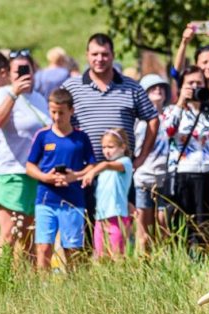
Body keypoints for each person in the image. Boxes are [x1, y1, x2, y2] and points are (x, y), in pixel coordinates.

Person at [62, 33, 159, 218]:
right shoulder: (71, 87)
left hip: (118, 173)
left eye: (105, 54)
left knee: (118, 229)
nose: (100, 59)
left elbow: (153, 119)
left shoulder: (132, 87)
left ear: (113, 55)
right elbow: (58, 122)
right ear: (87, 55)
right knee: (85, 232)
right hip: (84, 172)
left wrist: (142, 157)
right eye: (95, 54)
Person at [163, 66, 209, 249]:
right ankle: (181, 262)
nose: (195, 87)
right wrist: (180, 102)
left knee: (207, 226)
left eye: (199, 83)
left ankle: (205, 259)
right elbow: (168, 131)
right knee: (181, 227)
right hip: (182, 174)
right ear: (181, 86)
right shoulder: (173, 110)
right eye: (190, 83)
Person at [25, 88, 96, 270]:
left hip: (73, 201)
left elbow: (92, 165)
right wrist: (45, 177)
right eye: (53, 112)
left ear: (71, 111)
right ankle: (43, 287)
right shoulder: (43, 136)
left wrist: (75, 176)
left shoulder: (81, 138)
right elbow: (30, 166)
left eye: (61, 113)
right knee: (43, 246)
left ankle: (74, 286)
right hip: (46, 199)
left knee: (73, 248)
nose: (57, 117)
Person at [0, 50, 50, 259]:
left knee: (29, 237)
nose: (23, 74)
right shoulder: (1, 94)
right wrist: (14, 94)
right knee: (9, 234)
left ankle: (25, 285)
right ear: (8, 73)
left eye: (27, 69)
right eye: (17, 70)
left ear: (34, 71)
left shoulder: (40, 99)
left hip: (36, 174)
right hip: (10, 172)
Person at [133, 73, 170, 253]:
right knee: (144, 225)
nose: (158, 90)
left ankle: (164, 257)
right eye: (153, 88)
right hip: (143, 177)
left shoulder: (170, 116)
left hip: (165, 176)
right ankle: (144, 262)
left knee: (164, 223)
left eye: (161, 87)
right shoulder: (137, 120)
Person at [90, 128, 134, 259]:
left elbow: (106, 165)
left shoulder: (125, 162)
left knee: (117, 256)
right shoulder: (104, 169)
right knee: (99, 256)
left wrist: (93, 172)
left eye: (110, 147)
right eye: (103, 147)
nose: (106, 151)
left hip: (117, 217)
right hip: (101, 218)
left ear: (122, 147)